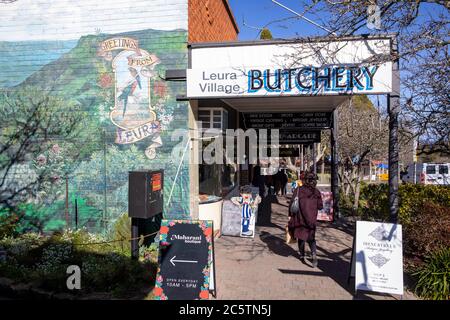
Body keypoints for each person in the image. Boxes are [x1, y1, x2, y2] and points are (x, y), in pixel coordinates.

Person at [288, 171, 323, 268]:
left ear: (305, 180)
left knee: (301, 237)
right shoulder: (316, 192)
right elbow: (320, 206)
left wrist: (290, 215)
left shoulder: (298, 190)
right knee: (311, 239)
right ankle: (314, 254)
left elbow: (292, 204)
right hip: (311, 219)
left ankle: (302, 255)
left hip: (300, 218)